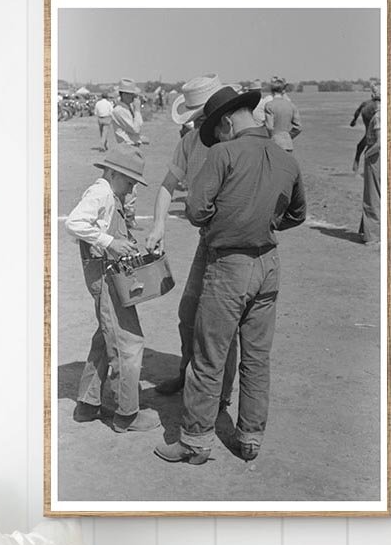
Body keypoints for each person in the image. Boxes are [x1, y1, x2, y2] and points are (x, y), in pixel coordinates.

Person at [154, 86, 306, 466]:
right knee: (256, 357)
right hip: (268, 266)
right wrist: (264, 222)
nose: (215, 137)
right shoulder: (286, 157)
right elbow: (298, 214)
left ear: (225, 122)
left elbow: (195, 210)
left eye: (215, 130)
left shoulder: (224, 153)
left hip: (228, 267)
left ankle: (195, 442)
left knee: (209, 357)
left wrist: (229, 222)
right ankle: (250, 437)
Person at [145, 74, 238, 404]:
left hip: (233, 246)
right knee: (189, 313)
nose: (200, 121)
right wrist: (158, 226)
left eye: (202, 114)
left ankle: (222, 394)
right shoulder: (190, 142)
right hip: (207, 239)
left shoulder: (236, 141)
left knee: (223, 323)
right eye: (198, 116)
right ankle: (187, 373)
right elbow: (168, 184)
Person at [65, 145, 160, 433]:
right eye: (129, 182)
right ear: (114, 173)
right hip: (105, 274)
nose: (131, 189)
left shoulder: (109, 192)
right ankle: (126, 413)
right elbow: (74, 222)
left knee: (107, 334)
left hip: (104, 271)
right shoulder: (102, 192)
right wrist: (111, 243)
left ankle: (87, 403)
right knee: (127, 341)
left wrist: (120, 241)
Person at [359, 106, 382, 246]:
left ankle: (372, 235)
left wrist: (367, 155)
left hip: (375, 156)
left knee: (372, 196)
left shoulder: (379, 116)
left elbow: (379, 142)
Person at [263, 76, 302, 152]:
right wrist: (288, 136)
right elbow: (298, 127)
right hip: (288, 144)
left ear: (272, 91)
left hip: (275, 144)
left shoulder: (269, 105)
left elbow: (270, 127)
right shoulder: (291, 105)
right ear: (283, 91)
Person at [350, 85, 380, 172]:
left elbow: (358, 110)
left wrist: (354, 120)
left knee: (368, 135)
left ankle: (356, 164)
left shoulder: (366, 104)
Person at [111, 78, 145, 146]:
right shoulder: (119, 110)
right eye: (132, 94)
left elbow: (139, 124)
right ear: (124, 95)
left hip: (132, 146)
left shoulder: (129, 108)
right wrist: (137, 110)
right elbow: (136, 129)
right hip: (127, 147)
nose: (134, 97)